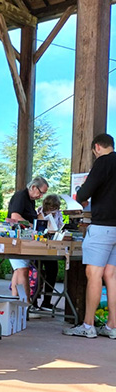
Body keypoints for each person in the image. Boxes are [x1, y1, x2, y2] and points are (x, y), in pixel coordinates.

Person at [63, 133, 116, 339]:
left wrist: (82, 194)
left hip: (102, 226)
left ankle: (88, 325)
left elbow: (83, 194)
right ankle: (112, 326)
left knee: (93, 275)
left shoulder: (102, 163)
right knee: (111, 276)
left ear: (96, 148)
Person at [7, 176, 49, 303]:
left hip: (24, 237)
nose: (41, 196)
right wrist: (32, 225)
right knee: (23, 269)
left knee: (19, 269)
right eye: (41, 192)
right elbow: (15, 216)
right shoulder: (21, 196)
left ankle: (16, 300)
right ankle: (26, 303)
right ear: (34, 187)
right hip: (18, 237)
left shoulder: (30, 200)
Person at [36, 194, 63, 310]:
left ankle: (47, 301)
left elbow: (60, 226)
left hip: (53, 245)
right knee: (37, 273)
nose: (53, 210)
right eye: (51, 208)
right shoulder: (39, 212)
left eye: (55, 208)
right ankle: (34, 301)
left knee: (52, 271)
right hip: (39, 244)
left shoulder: (58, 214)